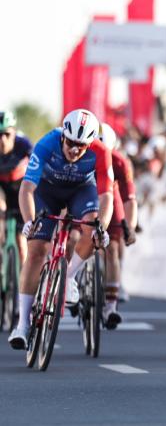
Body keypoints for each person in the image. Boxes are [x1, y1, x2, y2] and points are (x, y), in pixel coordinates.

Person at [8, 109, 113, 350]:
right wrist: (28, 221)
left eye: (82, 145)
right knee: (36, 249)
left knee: (92, 228)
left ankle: (69, 276)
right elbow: (26, 189)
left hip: (81, 191)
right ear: (63, 136)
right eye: (72, 143)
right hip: (48, 191)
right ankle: (22, 325)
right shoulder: (47, 143)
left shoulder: (101, 151)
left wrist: (102, 227)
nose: (76, 149)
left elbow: (106, 195)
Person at [98, 123, 138, 329]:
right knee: (75, 239)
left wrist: (130, 226)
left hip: (109, 199)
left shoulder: (120, 162)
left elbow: (129, 199)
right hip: (83, 194)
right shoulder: (81, 153)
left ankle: (110, 307)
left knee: (112, 249)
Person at [0, 111, 32, 265]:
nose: (2, 140)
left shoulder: (23, 144)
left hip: (21, 189)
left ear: (14, 132)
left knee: (21, 239)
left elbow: (37, 164)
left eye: (6, 134)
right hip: (3, 189)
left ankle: (24, 277)